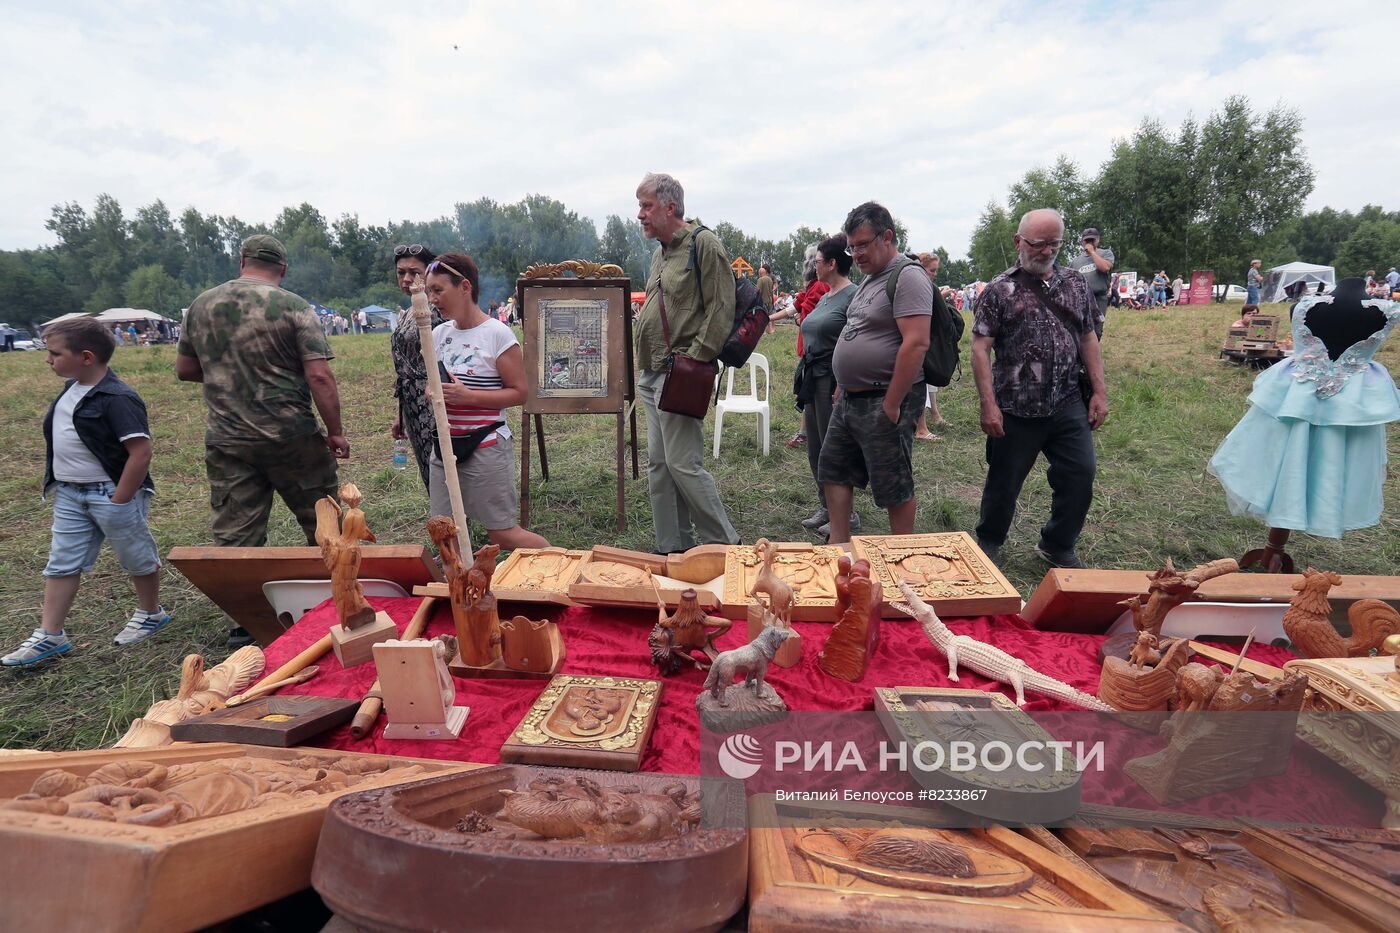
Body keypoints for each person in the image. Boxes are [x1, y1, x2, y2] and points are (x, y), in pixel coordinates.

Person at [177, 235, 346, 642]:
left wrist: (227, 376)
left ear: (242, 261)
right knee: (322, 516)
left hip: (228, 436)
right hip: (291, 435)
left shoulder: (201, 305)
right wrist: (336, 431)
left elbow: (185, 369)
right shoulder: (292, 306)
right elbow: (319, 375)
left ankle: (244, 621)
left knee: (237, 532)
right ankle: (341, 596)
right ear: (282, 269)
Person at [4, 319, 170, 666]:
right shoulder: (71, 388)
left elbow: (141, 453)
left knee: (135, 556)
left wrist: (121, 498)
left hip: (110, 493)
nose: (48, 360)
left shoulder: (118, 398)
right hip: (70, 495)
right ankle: (50, 635)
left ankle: (151, 613)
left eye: (55, 353)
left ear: (86, 357)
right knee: (61, 562)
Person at [971, 209, 1108, 569]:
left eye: (1055, 244)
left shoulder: (1076, 284)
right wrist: (988, 405)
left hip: (1067, 401)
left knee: (1080, 473)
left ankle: (1058, 544)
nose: (1047, 251)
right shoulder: (999, 290)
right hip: (1016, 406)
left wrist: (1099, 391)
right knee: (1004, 482)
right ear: (1019, 242)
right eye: (1038, 244)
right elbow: (980, 348)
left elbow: (1088, 337)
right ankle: (989, 540)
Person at [633, 172, 740, 553]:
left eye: (646, 206)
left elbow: (720, 309)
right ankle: (673, 549)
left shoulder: (704, 243)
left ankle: (725, 546)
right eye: (639, 206)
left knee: (683, 464)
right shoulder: (661, 252)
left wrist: (693, 362)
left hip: (678, 373)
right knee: (660, 466)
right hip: (651, 374)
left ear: (670, 206)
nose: (641, 214)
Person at [818, 201, 931, 545]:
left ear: (887, 237)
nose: (857, 254)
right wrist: (842, 383)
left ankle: (901, 553)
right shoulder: (869, 280)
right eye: (852, 247)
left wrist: (893, 403)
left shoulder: (907, 276)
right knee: (834, 468)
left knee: (892, 482)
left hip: (884, 397)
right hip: (852, 398)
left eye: (864, 244)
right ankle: (838, 548)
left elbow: (916, 343)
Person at [423, 252, 548, 550]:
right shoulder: (437, 334)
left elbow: (519, 393)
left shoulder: (497, 334)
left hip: (486, 444)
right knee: (444, 535)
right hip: (444, 446)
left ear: (465, 287)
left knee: (503, 534)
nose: (432, 299)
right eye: (429, 292)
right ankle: (461, 593)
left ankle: (559, 566)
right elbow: (436, 382)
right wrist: (433, 392)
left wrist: (468, 397)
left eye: (438, 290)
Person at [796, 234, 857, 536]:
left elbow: (856, 340)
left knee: (834, 450)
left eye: (818, 260)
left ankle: (847, 515)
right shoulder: (825, 295)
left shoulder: (852, 295)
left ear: (832, 264)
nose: (814, 265)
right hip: (813, 377)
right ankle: (826, 506)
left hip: (832, 380)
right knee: (816, 448)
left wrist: (844, 382)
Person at [389, 243, 440, 491]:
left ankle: (457, 528)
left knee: (441, 468)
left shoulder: (437, 309)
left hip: (434, 401)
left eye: (414, 272)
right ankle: (442, 525)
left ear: (429, 273)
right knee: (427, 470)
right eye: (401, 273)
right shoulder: (408, 310)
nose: (407, 278)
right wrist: (402, 415)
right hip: (411, 403)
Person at [914, 252, 947, 440]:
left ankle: (934, 414)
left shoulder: (926, 286)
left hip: (928, 338)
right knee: (920, 380)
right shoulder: (919, 286)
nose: (934, 274)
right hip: (919, 340)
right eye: (932, 270)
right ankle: (921, 428)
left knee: (930, 380)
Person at [1066, 228, 1114, 337]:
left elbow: (1105, 267)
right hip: (1081, 299)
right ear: (1082, 242)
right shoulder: (1075, 261)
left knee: (1097, 330)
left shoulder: (1105, 253)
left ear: (1098, 240)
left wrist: (1092, 252)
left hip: (1099, 298)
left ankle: (1093, 353)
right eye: (1087, 240)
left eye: (1092, 240)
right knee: (1080, 329)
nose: (1089, 243)